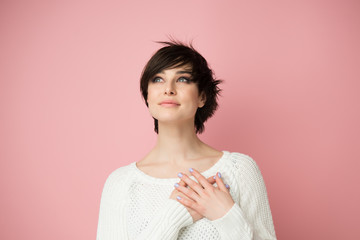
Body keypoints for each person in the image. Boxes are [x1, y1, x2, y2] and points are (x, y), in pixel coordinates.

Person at [96, 40, 277, 240]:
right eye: (157, 79)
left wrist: (227, 216)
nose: (168, 89)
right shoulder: (121, 183)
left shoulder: (239, 170)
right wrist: (173, 217)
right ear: (147, 97)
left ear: (202, 97)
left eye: (182, 79)